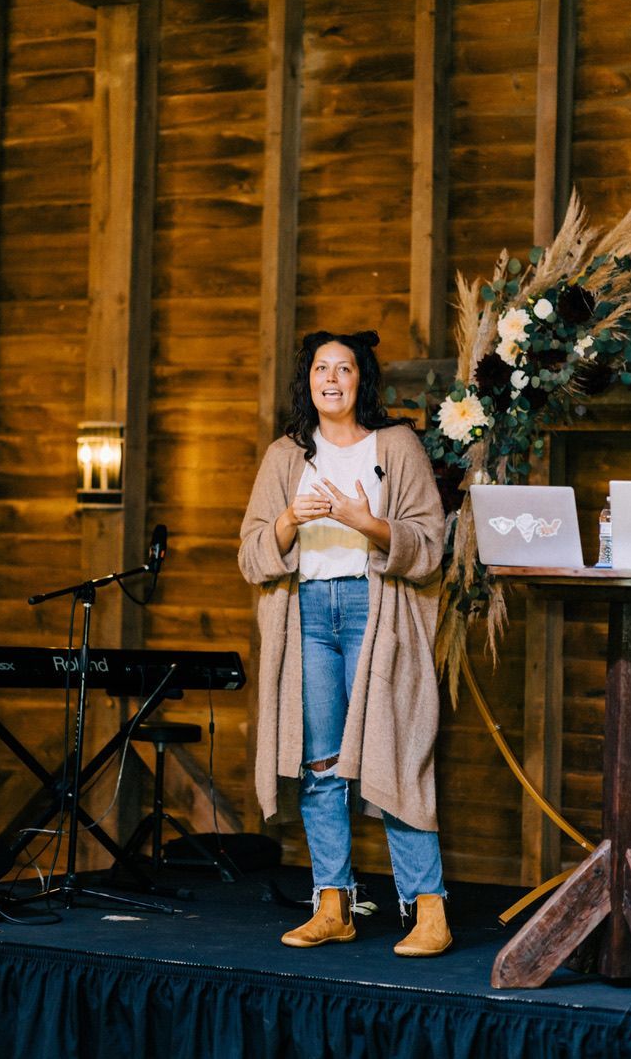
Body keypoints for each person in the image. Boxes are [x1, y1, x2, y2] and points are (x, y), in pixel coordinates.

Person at [238, 329, 452, 956]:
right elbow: (252, 557)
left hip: (374, 609)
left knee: (398, 754)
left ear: (363, 381)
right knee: (321, 763)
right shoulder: (285, 456)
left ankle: (428, 910)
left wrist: (367, 522)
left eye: (345, 368)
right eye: (321, 368)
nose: (332, 378)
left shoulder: (398, 445)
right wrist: (286, 521)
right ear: (308, 381)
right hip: (306, 614)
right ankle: (332, 904)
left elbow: (431, 546)